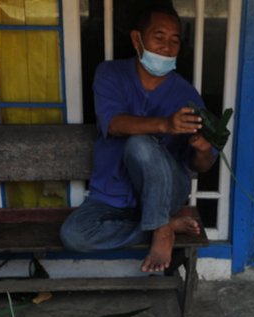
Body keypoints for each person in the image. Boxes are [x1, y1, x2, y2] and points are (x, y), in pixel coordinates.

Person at [59, 3, 217, 273]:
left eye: (174, 40)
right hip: (111, 196)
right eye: (159, 37)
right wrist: (166, 124)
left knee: (141, 144)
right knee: (73, 235)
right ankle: (162, 225)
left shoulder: (186, 94)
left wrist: (203, 149)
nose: (166, 47)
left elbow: (201, 165)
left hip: (167, 193)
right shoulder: (110, 74)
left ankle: (161, 229)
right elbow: (114, 124)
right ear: (137, 39)